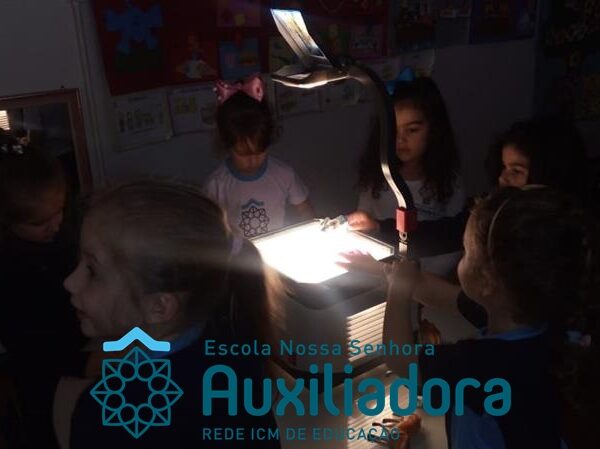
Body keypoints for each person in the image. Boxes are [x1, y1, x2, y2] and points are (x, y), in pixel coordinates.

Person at [64, 180, 281, 448]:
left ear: (159, 307)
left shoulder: (106, 414)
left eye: (92, 270)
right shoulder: (236, 343)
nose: (70, 282)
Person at [384, 186, 600, 449]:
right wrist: (386, 272)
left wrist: (397, 290)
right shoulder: (548, 331)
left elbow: (400, 360)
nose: (462, 258)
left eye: (466, 252)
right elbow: (444, 296)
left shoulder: (477, 365)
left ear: (487, 282)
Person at [0, 129, 85, 448]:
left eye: (59, 210)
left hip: (82, 351)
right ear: (7, 222)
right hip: (43, 379)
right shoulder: (9, 267)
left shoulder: (65, 234)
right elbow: (29, 347)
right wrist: (87, 363)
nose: (55, 224)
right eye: (39, 223)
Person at [348, 76, 466, 277]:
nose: (401, 139)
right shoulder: (376, 176)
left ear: (434, 129)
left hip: (429, 281)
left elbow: (454, 240)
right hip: (381, 275)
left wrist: (415, 277)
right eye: (393, 130)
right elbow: (365, 224)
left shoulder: (449, 182)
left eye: (412, 130)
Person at [203, 75, 313, 238]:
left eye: (259, 152)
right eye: (243, 154)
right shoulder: (216, 185)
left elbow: (304, 210)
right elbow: (209, 228)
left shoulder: (283, 174)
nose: (252, 161)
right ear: (227, 144)